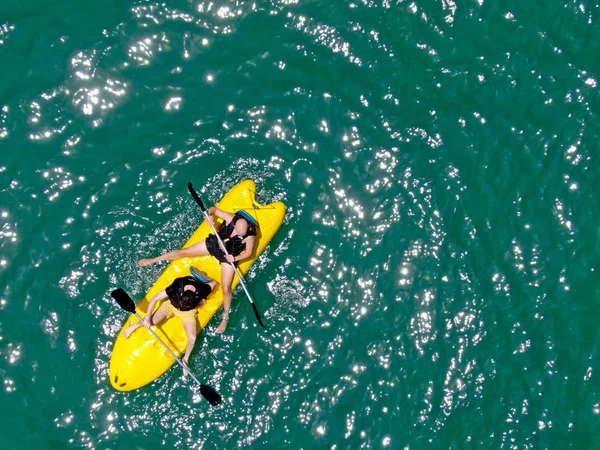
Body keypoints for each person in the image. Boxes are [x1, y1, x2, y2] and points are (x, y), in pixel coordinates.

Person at [137, 207, 258, 334]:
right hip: (216, 243)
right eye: (237, 232)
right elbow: (213, 210)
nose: (238, 235)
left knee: (226, 288)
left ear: (248, 229)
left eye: (241, 234)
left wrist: (235, 257)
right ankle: (153, 260)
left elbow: (248, 253)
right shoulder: (231, 218)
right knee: (183, 252)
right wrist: (209, 217)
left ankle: (225, 317)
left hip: (230, 254)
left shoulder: (250, 236)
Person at [123, 270, 217, 375]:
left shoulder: (201, 290)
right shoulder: (177, 285)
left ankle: (185, 360)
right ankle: (136, 325)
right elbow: (155, 299)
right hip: (171, 305)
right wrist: (147, 317)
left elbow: (214, 283)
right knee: (152, 321)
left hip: (188, 312)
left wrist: (204, 298)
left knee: (192, 338)